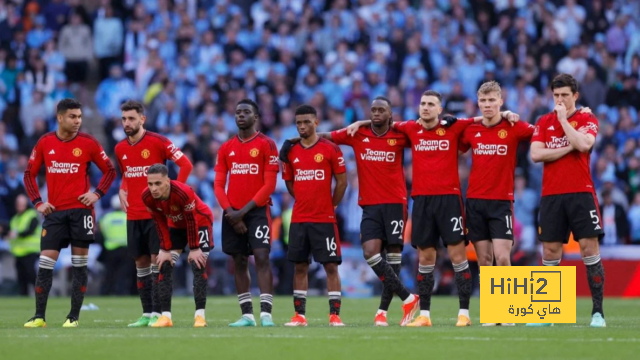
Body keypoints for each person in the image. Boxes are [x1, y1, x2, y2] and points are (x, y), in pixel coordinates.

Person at [346, 91, 518, 327]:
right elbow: (383, 121)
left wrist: (506, 113)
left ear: (440, 109)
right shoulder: (410, 128)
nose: (425, 108)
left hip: (449, 200)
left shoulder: (454, 127)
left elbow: (482, 119)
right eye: (423, 104)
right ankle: (424, 315)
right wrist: (360, 122)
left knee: (458, 256)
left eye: (431, 104)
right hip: (422, 201)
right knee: (425, 258)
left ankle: (464, 313)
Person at [281, 97, 419, 326]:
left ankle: (382, 312)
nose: (375, 113)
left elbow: (420, 129)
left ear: (390, 114)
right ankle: (408, 298)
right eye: (372, 110)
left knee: (394, 259)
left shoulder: (400, 134)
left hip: (396, 202)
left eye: (380, 110)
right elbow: (323, 136)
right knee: (371, 253)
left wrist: (364, 120)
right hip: (369, 204)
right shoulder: (356, 134)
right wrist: (294, 139)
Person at [23, 98, 116, 328]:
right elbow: (28, 174)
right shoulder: (45, 142)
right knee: (45, 264)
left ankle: (73, 317)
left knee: (79, 265)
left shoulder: (88, 142)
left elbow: (110, 171)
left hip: (81, 213)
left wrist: (97, 194)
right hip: (54, 213)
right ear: (60, 117)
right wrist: (37, 202)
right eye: (73, 117)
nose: (77, 121)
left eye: (80, 117)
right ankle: (39, 317)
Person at [529, 73, 606, 328]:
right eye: (556, 95)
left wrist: (564, 121)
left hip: (581, 192)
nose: (560, 100)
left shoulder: (586, 117)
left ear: (575, 96)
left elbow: (584, 144)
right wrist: (567, 147)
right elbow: (536, 154)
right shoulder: (543, 120)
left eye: (565, 95)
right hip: (551, 195)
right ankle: (547, 314)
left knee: (589, 249)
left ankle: (597, 313)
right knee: (550, 252)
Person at [459, 81, 534, 326]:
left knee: (503, 258)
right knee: (484, 261)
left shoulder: (513, 126)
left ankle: (507, 311)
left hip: (501, 202)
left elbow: (541, 131)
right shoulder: (472, 129)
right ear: (478, 103)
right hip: (476, 203)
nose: (488, 105)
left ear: (500, 101)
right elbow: (453, 138)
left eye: (492, 100)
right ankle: (492, 313)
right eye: (484, 101)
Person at [114, 100, 193, 328]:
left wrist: (174, 194)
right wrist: (123, 188)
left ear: (142, 119)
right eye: (124, 119)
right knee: (140, 263)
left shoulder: (159, 142)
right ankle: (147, 313)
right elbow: (128, 174)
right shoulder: (120, 148)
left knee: (156, 261)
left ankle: (160, 313)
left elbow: (185, 165)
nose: (127, 123)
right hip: (133, 215)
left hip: (156, 216)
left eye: (131, 118)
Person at [281, 105, 348, 327]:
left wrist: (333, 204)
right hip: (300, 218)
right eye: (298, 122)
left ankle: (334, 315)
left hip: (324, 218)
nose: (302, 126)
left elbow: (342, 182)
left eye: (306, 122)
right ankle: (299, 316)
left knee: (330, 266)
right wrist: (302, 197)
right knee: (300, 266)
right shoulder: (291, 151)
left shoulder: (330, 149)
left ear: (316, 123)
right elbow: (289, 182)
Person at [214, 99, 278, 327]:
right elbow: (219, 185)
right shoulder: (226, 148)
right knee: (239, 260)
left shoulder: (267, 144)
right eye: (238, 112)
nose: (241, 115)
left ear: (256, 117)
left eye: (246, 112)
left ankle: (266, 314)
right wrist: (231, 213)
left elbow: (269, 184)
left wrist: (243, 212)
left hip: (257, 211)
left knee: (261, 257)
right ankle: (247, 315)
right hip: (232, 213)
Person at [141, 164, 213, 328]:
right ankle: (166, 317)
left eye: (158, 183)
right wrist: (165, 250)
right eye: (150, 184)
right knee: (164, 264)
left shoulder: (183, 192)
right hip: (175, 226)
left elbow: (191, 220)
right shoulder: (147, 196)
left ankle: (200, 317)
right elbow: (159, 222)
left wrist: (194, 249)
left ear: (167, 181)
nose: (153, 188)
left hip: (199, 222)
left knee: (198, 264)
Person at [8, 194, 41, 296]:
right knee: (21, 277)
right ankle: (24, 296)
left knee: (31, 274)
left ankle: (40, 294)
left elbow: (30, 230)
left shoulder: (31, 215)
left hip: (31, 251)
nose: (19, 206)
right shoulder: (15, 218)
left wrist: (17, 234)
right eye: (18, 204)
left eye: (21, 204)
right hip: (18, 252)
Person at [99, 196, 130, 295]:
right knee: (123, 273)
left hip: (110, 249)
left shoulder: (106, 218)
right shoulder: (127, 217)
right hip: (125, 249)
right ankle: (121, 292)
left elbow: (101, 232)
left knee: (109, 273)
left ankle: (106, 292)